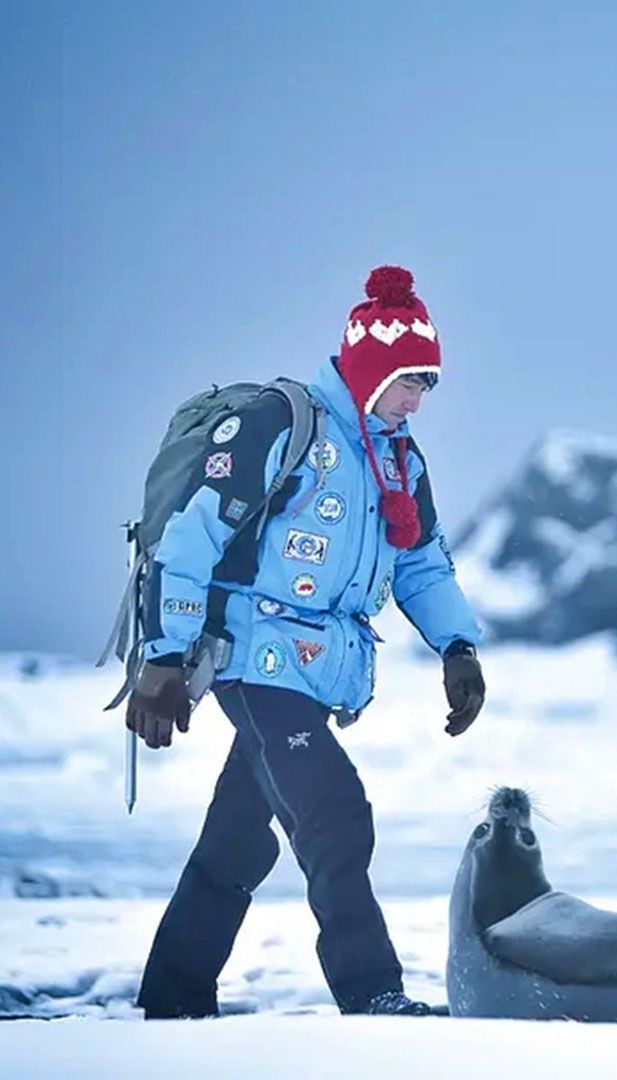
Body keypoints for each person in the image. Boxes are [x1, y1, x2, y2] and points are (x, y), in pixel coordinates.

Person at [127, 265, 487, 1018]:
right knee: (334, 813)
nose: (420, 397)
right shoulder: (283, 424)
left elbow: (419, 560)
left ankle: (173, 999)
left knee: (237, 844)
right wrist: (162, 657)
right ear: (370, 367)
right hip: (253, 660)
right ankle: (373, 992)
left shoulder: (398, 461)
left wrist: (458, 648)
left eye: (429, 383)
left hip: (316, 673)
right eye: (410, 379)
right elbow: (192, 538)